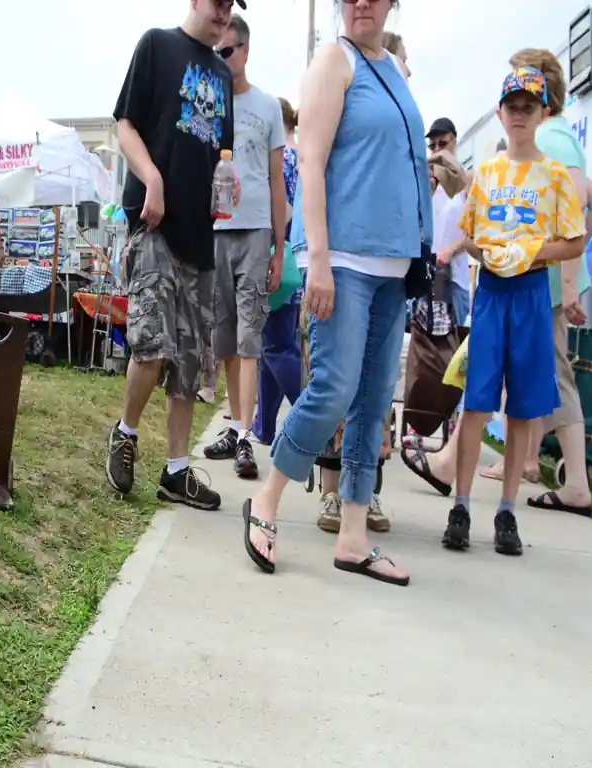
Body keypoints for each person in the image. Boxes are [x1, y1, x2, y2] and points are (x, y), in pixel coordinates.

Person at [242, 0, 429, 586]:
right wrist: (316, 258)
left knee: (373, 402)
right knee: (332, 388)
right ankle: (268, 501)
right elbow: (313, 163)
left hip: (394, 264)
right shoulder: (332, 60)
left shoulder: (394, 70)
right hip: (343, 259)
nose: (360, 4)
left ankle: (353, 535)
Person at [105, 0, 243, 510]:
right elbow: (124, 125)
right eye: (217, 2)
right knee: (152, 342)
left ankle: (177, 470)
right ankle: (125, 433)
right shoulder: (157, 45)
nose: (223, 12)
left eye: (231, 6)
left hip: (198, 234)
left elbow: (218, 154)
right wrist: (153, 179)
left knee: (188, 361)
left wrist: (228, 185)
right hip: (154, 223)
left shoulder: (221, 74)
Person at [443, 66, 586, 555]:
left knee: (525, 403)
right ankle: (460, 504)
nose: (520, 114)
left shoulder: (555, 175)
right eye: (513, 107)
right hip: (491, 296)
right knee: (477, 399)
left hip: (529, 295)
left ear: (543, 112)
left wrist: (529, 252)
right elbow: (470, 234)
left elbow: (574, 241)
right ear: (501, 114)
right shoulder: (487, 172)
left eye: (530, 106)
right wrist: (487, 252)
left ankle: (507, 510)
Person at [202, 14, 285, 480]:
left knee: (251, 338)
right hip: (215, 231)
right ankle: (236, 428)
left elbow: (276, 180)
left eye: (228, 51)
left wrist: (278, 245)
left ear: (246, 51)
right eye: (217, 51)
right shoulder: (207, 106)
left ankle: (249, 435)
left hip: (254, 231)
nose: (222, 58)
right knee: (226, 339)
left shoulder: (267, 107)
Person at [510, 48, 592, 516]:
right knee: (540, 373)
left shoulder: (554, 142)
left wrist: (565, 279)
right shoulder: (559, 138)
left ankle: (576, 484)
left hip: (545, 284)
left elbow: (578, 208)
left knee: (556, 376)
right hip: (544, 279)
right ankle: (526, 462)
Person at [253, 96, 302, 446]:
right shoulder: (304, 157)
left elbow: (281, 209)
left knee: (275, 346)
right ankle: (264, 425)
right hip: (299, 261)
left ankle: (312, 415)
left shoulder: (281, 157)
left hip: (277, 258)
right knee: (275, 344)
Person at [426, 118, 473, 325]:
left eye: (442, 144)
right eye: (432, 146)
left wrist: (452, 249)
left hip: (454, 281)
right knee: (426, 351)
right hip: (427, 278)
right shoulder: (426, 183)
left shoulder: (467, 181)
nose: (437, 151)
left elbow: (477, 233)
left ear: (455, 142)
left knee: (451, 347)